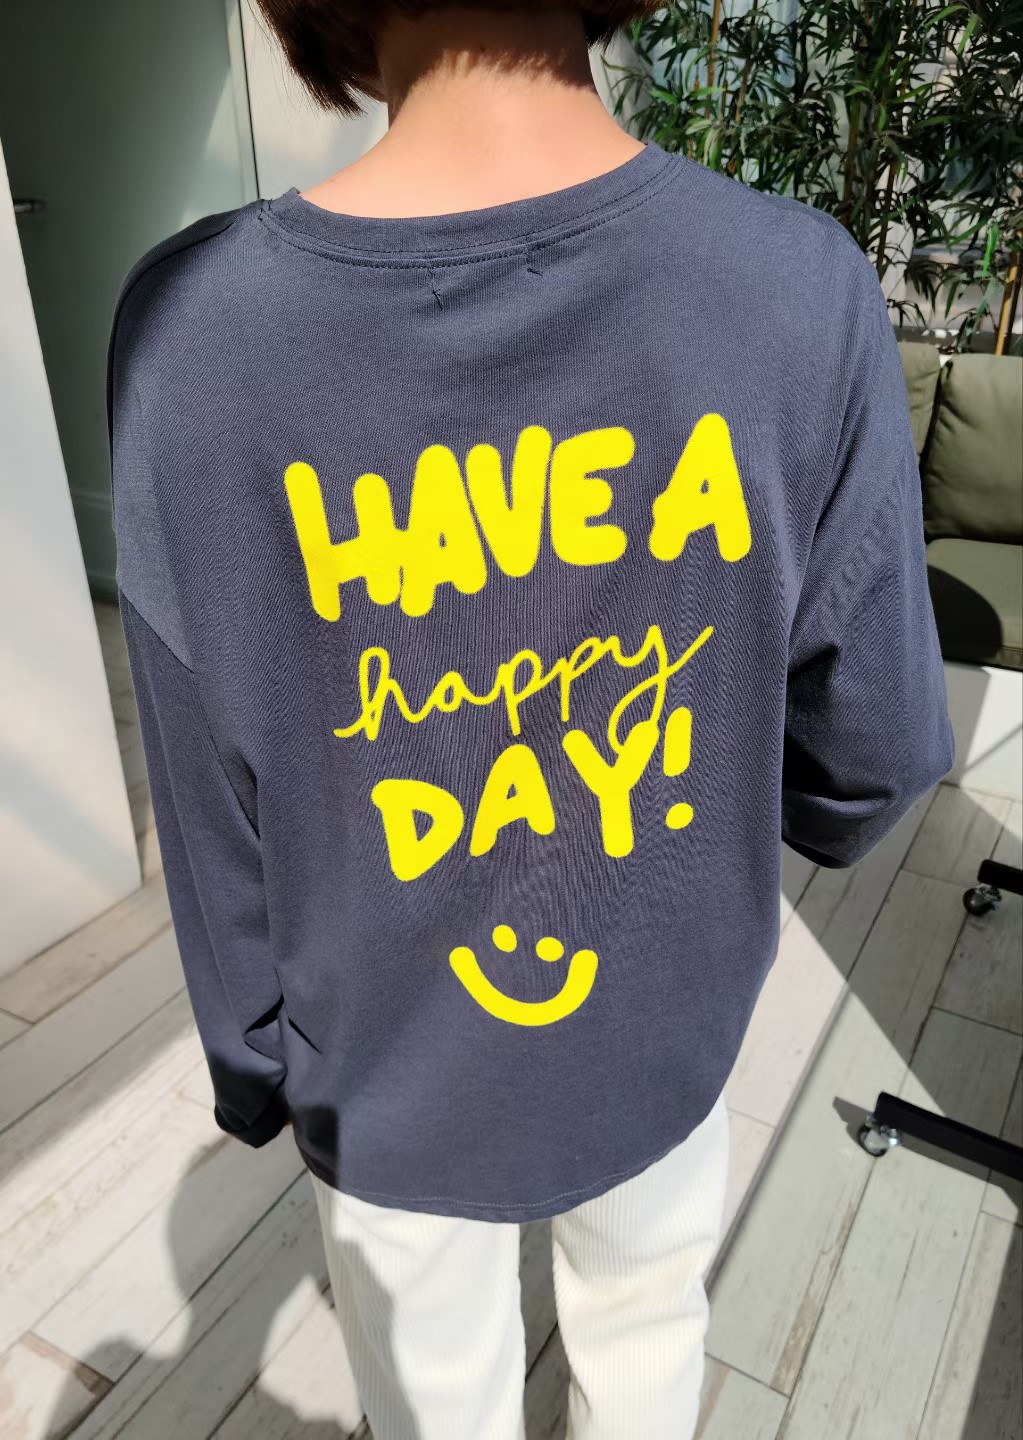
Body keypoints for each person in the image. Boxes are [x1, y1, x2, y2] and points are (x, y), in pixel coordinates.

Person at [105, 3, 956, 1436]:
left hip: (379, 1060)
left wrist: (258, 1062)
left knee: (433, 1395)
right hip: (665, 1017)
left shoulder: (195, 334)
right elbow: (872, 753)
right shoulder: (794, 289)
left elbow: (204, 774)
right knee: (648, 1330)